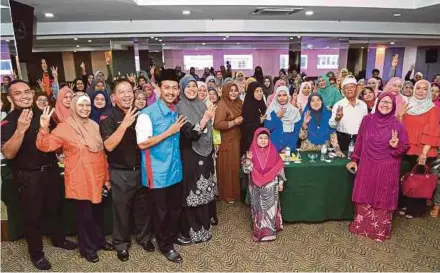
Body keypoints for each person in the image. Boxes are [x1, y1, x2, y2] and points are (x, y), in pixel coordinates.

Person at [1, 80, 77, 270]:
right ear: (10, 98)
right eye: (18, 93)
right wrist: (20, 129)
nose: (25, 95)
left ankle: (58, 239)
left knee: (54, 209)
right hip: (28, 177)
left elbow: (55, 140)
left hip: (51, 170)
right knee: (32, 217)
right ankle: (37, 254)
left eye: (27, 91)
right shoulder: (8, 122)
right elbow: (8, 153)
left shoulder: (44, 114)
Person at [36, 93, 114, 262]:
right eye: (81, 105)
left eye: (87, 105)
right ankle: (87, 249)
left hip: (97, 176)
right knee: (84, 216)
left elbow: (102, 153)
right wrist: (44, 128)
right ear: (73, 107)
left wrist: (106, 177)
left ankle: (99, 241)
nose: (85, 109)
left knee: (97, 213)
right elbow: (45, 146)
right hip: (80, 178)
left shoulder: (94, 125)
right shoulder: (64, 127)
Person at [136, 69, 189, 263]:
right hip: (157, 173)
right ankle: (166, 246)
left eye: (175, 88)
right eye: (167, 87)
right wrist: (170, 131)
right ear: (159, 88)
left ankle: (171, 237)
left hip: (175, 171)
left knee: (175, 209)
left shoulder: (175, 110)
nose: (171, 92)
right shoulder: (146, 114)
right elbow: (142, 143)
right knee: (161, 213)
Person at [100, 79, 153, 262]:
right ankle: (121, 244)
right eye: (121, 92)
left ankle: (144, 238)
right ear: (113, 97)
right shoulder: (108, 118)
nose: (127, 95)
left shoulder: (142, 114)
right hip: (121, 172)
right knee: (121, 211)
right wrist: (124, 124)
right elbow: (109, 146)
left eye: (129, 91)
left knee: (143, 208)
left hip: (143, 169)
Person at [346, 92, 409, 242]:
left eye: (389, 103)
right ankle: (362, 227)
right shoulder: (367, 120)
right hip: (367, 164)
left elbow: (405, 146)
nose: (385, 105)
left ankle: (379, 231)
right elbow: (360, 140)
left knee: (383, 194)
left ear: (393, 106)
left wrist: (396, 146)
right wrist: (355, 159)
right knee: (365, 192)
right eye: (383, 102)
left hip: (388, 166)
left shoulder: (397, 124)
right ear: (377, 103)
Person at [176, 75, 217, 243]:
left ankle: (204, 228)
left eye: (194, 86)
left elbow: (209, 133)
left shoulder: (201, 105)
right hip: (191, 155)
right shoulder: (180, 107)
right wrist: (205, 119)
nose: (192, 89)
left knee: (205, 192)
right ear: (182, 89)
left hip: (206, 154)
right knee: (193, 192)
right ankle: (192, 231)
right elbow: (191, 134)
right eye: (188, 86)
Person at [398, 80, 440, 219]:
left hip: (423, 150)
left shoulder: (432, 108)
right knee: (406, 178)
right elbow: (400, 126)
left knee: (419, 180)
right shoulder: (408, 104)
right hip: (406, 148)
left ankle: (416, 209)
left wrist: (424, 154)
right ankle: (405, 204)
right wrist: (400, 115)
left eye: (424, 89)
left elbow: (433, 132)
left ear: (428, 92)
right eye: (418, 88)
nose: (421, 91)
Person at [242, 128, 285, 242]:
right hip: (256, 187)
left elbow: (279, 167)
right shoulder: (250, 152)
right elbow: (246, 170)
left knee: (270, 209)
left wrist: (281, 182)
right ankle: (259, 232)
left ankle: (270, 233)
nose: (263, 140)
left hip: (271, 186)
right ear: (255, 139)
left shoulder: (273, 151)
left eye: (266, 138)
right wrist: (248, 160)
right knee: (258, 210)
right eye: (260, 138)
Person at [213, 82, 243, 202]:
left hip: (237, 139)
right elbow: (217, 124)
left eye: (235, 90)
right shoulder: (222, 104)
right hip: (227, 141)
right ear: (225, 91)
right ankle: (227, 195)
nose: (233, 93)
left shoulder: (239, 103)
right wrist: (233, 122)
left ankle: (235, 194)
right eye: (230, 90)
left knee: (235, 168)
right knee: (227, 168)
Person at [329, 77, 368, 151]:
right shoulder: (338, 105)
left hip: (359, 139)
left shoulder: (363, 105)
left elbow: (366, 125)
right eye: (346, 88)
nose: (349, 89)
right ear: (343, 91)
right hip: (342, 139)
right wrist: (337, 118)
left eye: (352, 87)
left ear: (356, 88)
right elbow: (332, 125)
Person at [264, 86, 301, 152]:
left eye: (284, 95)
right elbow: (267, 129)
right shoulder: (271, 110)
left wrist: (289, 147)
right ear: (276, 97)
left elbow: (296, 133)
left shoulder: (295, 111)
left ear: (288, 96)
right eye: (279, 95)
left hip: (288, 149)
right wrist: (277, 117)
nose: (282, 98)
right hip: (272, 148)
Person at [240, 82, 267, 156]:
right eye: (256, 91)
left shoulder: (262, 104)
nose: (259, 93)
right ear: (251, 92)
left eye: (261, 91)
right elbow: (246, 127)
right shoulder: (247, 107)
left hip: (262, 140)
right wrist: (259, 121)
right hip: (250, 142)